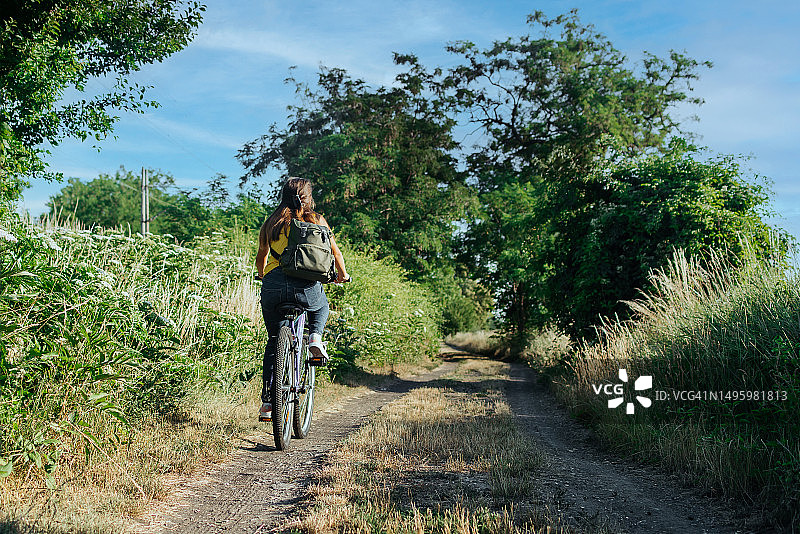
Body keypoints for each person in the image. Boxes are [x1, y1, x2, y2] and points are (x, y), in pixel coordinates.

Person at [255, 177, 349, 421]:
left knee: (274, 339)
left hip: (273, 286)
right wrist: (343, 274)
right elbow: (335, 252)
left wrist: (261, 276)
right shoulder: (317, 220)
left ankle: (267, 402)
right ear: (308, 198)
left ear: (283, 196)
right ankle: (315, 338)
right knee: (321, 307)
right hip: (305, 287)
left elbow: (261, 257)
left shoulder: (271, 223)